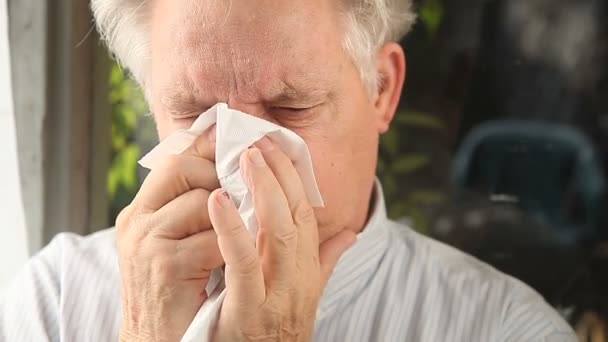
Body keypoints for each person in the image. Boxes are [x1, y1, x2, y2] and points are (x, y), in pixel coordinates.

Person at [0, 0, 576, 341]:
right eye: (195, 113)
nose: (241, 160)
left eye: (289, 108)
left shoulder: (503, 329)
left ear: (383, 91)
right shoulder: (54, 301)